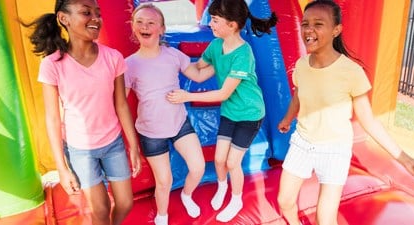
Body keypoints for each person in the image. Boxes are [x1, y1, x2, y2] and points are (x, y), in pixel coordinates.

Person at [276, 1, 414, 225]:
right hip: (303, 142)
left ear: (336, 30)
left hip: (334, 150)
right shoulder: (302, 65)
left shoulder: (351, 72)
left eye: (318, 24)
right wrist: (287, 118)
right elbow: (298, 96)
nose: (308, 30)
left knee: (325, 217)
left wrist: (405, 159)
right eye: (305, 24)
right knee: (285, 201)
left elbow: (368, 120)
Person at [24, 0, 142, 224]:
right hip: (80, 151)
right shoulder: (53, 64)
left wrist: (133, 144)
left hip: (113, 143)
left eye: (98, 13)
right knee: (100, 210)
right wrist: (62, 168)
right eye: (86, 13)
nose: (96, 18)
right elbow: (52, 118)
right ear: (63, 19)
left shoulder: (113, 57)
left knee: (125, 203)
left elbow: (121, 105)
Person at [166, 0, 278, 222]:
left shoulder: (243, 53)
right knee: (219, 160)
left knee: (232, 162)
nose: (210, 23)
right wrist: (170, 59)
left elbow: (223, 93)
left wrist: (187, 96)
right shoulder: (216, 46)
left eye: (215, 20)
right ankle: (222, 185)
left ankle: (236, 199)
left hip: (249, 114)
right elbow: (198, 71)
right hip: (230, 112)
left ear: (233, 25)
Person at [125, 4, 211, 225]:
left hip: (179, 123)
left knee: (198, 166)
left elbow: (198, 76)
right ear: (133, 27)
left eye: (151, 22)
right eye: (140, 22)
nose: (145, 26)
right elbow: (120, 102)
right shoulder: (130, 64)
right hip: (151, 132)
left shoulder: (173, 55)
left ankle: (187, 195)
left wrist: (224, 63)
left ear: (161, 29)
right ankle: (162, 216)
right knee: (164, 181)